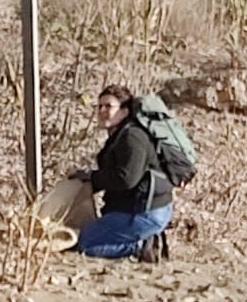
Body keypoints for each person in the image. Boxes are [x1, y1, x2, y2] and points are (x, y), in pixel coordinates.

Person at [67, 84, 173, 260]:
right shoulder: (119, 135)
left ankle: (142, 245)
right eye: (99, 106)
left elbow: (126, 179)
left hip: (145, 212)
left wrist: (93, 179)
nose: (102, 110)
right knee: (84, 235)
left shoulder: (133, 137)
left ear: (124, 111)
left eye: (108, 106)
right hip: (133, 208)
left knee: (85, 244)